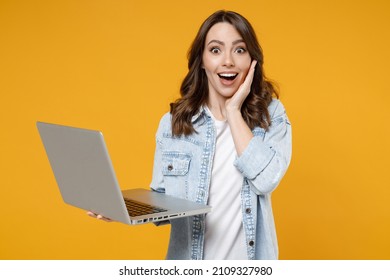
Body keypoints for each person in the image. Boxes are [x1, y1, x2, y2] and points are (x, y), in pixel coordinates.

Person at [90, 10, 292, 260]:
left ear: (252, 60)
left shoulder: (270, 115)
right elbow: (164, 199)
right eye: (216, 50)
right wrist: (123, 209)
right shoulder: (174, 123)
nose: (228, 61)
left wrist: (233, 111)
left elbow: (267, 179)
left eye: (239, 50)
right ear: (202, 60)